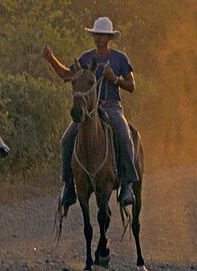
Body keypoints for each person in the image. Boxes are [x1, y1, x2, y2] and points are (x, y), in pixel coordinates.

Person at [42, 16, 139, 211]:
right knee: (66, 140)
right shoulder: (85, 58)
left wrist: (115, 79)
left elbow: (131, 85)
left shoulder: (120, 58)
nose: (98, 38)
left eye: (102, 35)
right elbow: (67, 75)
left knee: (123, 133)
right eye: (96, 34)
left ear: (109, 37)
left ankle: (127, 183)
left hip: (111, 105)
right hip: (88, 109)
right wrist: (52, 60)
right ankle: (69, 185)